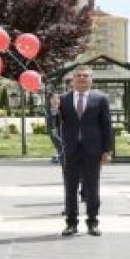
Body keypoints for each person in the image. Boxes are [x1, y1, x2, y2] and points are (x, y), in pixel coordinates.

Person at [50, 65, 113, 236]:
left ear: (91, 80)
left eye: (85, 76)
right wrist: (54, 110)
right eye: (78, 75)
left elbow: (106, 126)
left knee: (92, 188)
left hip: (93, 151)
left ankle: (92, 222)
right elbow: (54, 124)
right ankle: (71, 223)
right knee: (70, 189)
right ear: (72, 80)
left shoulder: (100, 99)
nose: (82, 78)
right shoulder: (62, 99)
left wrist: (107, 150)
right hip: (70, 151)